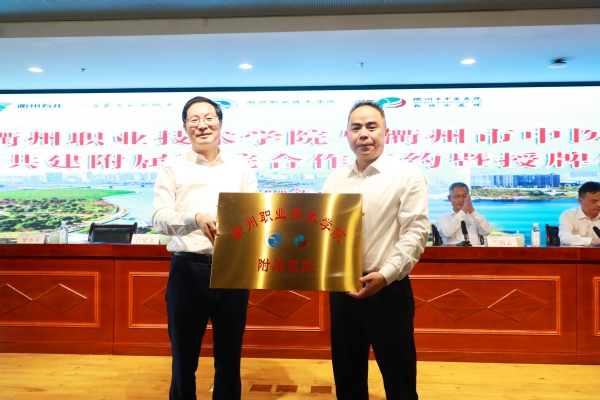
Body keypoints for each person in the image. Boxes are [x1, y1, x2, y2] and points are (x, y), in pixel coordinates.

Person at [322, 100, 429, 400]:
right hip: (343, 289)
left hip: (388, 289)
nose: (364, 134)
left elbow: (416, 233)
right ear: (347, 134)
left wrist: (385, 275)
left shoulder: (406, 174)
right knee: (348, 381)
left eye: (371, 126)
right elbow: (322, 231)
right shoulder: (335, 179)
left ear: (386, 132)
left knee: (400, 382)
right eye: (356, 128)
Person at [152, 96, 258, 400]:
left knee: (230, 356)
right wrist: (194, 219)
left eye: (209, 118)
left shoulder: (240, 167)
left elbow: (255, 216)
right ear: (185, 126)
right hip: (188, 269)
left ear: (220, 123)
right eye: (194, 119)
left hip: (232, 269)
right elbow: (159, 218)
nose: (202, 125)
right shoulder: (172, 167)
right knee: (183, 357)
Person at [559, 181, 600, 246]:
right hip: (575, 252)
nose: (599, 205)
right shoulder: (569, 215)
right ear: (580, 201)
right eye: (594, 201)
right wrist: (593, 241)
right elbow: (565, 237)